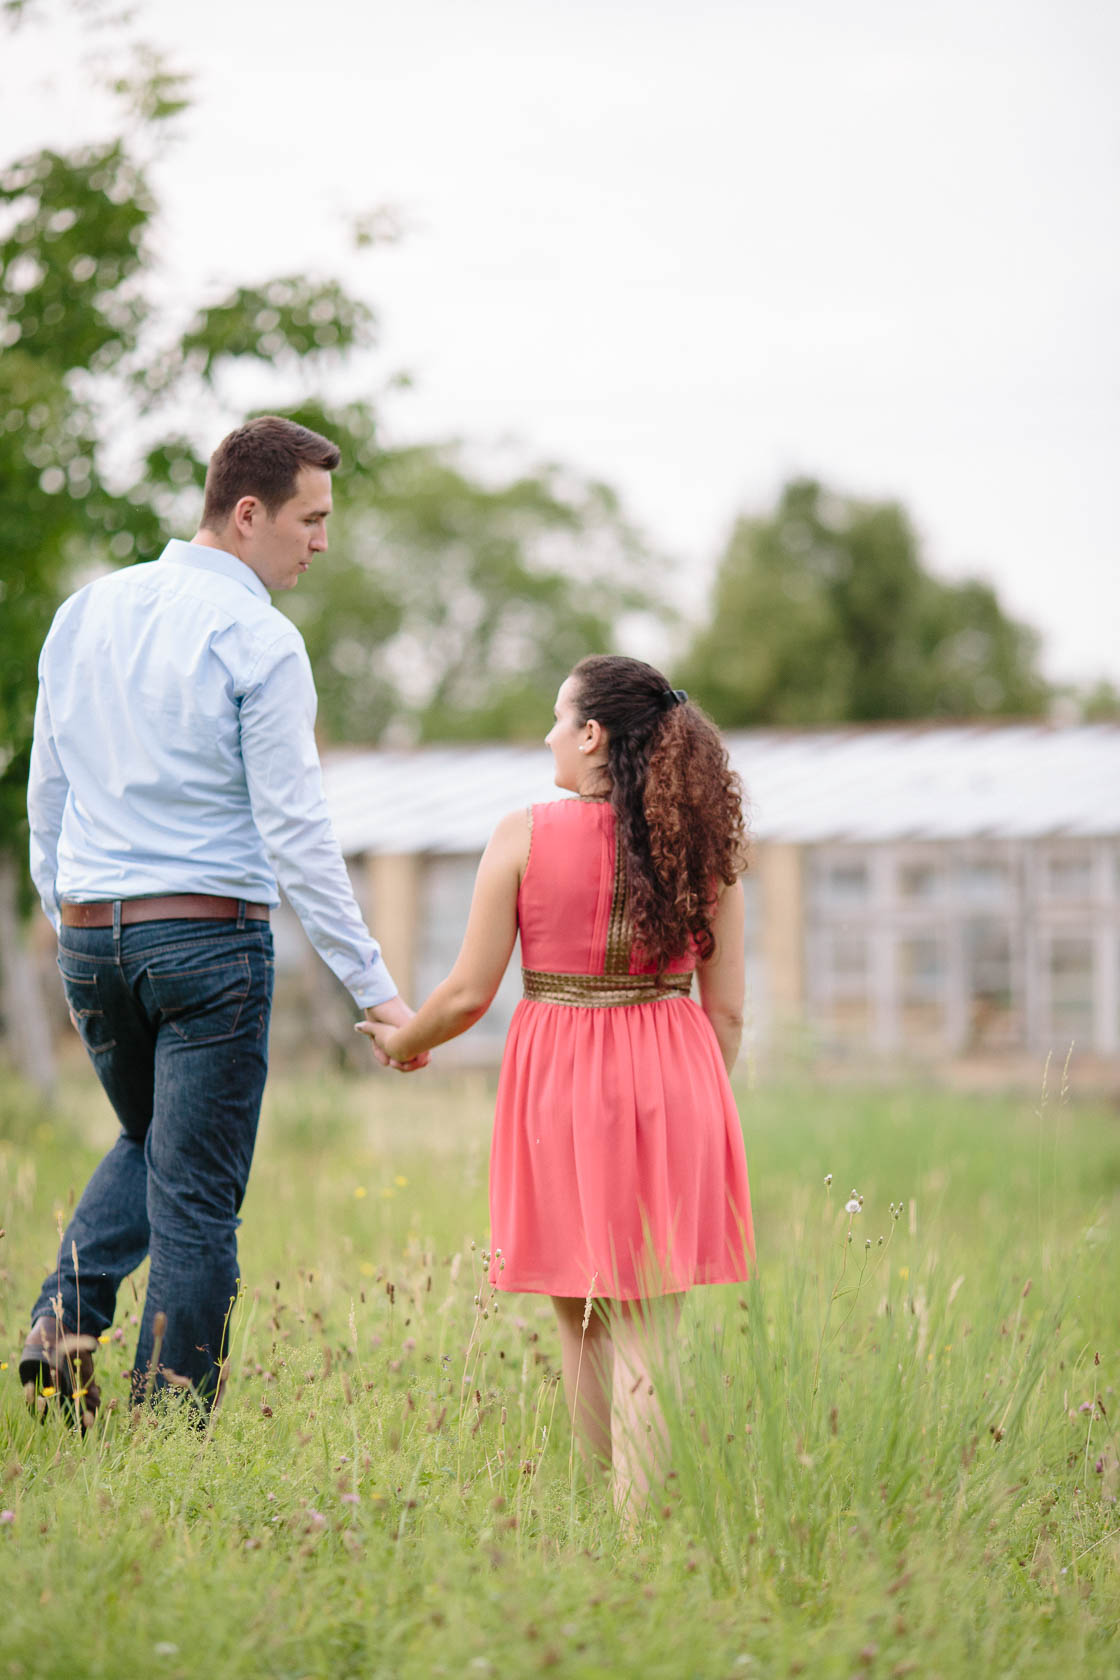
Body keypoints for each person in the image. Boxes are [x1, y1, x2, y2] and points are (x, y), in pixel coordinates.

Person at [21, 415, 422, 1423]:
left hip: (91, 931)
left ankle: (64, 1316)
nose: (321, 542)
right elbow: (296, 834)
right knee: (195, 1190)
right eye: (310, 519)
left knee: (155, 1139)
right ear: (248, 515)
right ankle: (169, 1425)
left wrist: (63, 915)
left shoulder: (85, 612)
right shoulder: (260, 641)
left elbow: (46, 788)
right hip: (206, 943)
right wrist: (375, 987)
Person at [360, 654, 753, 1515]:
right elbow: (726, 1015)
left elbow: (467, 994)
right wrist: (691, 1099)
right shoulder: (704, 845)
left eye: (556, 716)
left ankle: (598, 1515)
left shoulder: (523, 834)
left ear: (592, 733)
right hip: (678, 1080)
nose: (546, 734)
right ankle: (638, 1530)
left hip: (562, 1087)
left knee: (579, 1314)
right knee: (648, 1321)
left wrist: (402, 1042)